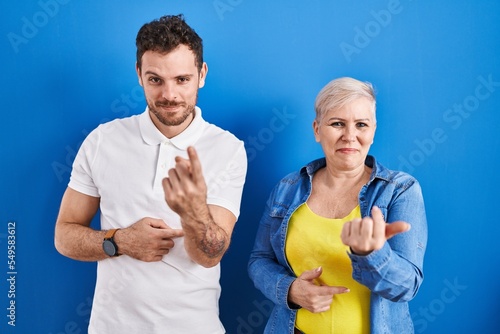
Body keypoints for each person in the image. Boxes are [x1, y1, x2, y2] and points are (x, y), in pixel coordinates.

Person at [54, 14, 247, 334]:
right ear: (139, 75)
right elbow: (64, 236)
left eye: (182, 79)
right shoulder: (102, 141)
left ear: (202, 75)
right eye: (156, 79)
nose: (169, 95)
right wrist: (120, 241)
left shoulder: (227, 149)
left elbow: (210, 256)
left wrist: (193, 210)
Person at [248, 77, 427, 333]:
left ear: (373, 131)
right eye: (337, 124)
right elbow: (259, 260)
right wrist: (290, 290)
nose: (349, 136)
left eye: (361, 124)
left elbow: (406, 287)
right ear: (317, 129)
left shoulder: (400, 190)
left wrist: (372, 253)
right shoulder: (287, 189)